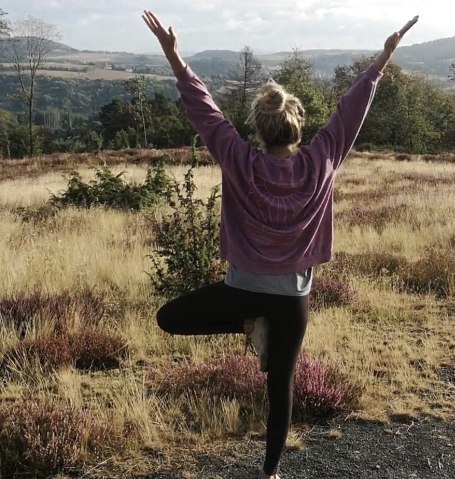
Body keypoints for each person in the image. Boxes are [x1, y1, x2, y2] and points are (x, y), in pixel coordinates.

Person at [142, 10, 418, 479]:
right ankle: (269, 474)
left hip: (242, 291)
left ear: (260, 128)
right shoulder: (322, 159)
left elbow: (204, 112)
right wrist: (382, 61)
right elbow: (351, 112)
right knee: (282, 385)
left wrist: (174, 55)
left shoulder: (238, 159)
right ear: (297, 127)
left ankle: (248, 323)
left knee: (169, 319)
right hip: (293, 296)